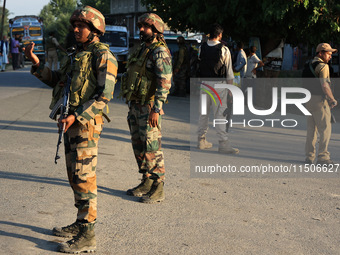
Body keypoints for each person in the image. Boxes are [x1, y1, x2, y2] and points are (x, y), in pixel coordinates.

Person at [24, 6, 117, 253]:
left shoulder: (103, 56)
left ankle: (88, 234)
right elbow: (58, 80)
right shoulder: (77, 54)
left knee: (84, 178)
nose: (76, 29)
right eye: (74, 25)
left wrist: (77, 115)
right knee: (74, 176)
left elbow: (104, 97)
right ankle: (80, 223)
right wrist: (36, 63)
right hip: (70, 124)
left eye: (82, 26)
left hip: (85, 125)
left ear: (95, 29)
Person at [120, 13, 172, 203]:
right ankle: (147, 180)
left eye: (146, 26)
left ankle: (158, 187)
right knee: (139, 146)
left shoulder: (160, 52)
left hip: (149, 107)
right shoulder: (142, 49)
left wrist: (156, 109)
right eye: (140, 26)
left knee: (152, 147)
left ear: (156, 29)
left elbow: (164, 83)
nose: (141, 29)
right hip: (136, 105)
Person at [197, 23, 239, 154]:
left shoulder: (201, 48)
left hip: (204, 84)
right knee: (220, 114)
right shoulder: (224, 49)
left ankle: (201, 140)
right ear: (220, 35)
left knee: (203, 113)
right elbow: (229, 72)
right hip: (218, 86)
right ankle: (223, 144)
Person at [304, 43, 338, 165]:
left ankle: (309, 157)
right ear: (320, 53)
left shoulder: (308, 65)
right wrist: (332, 99)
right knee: (325, 129)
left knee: (311, 130)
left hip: (308, 100)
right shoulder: (323, 67)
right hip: (319, 101)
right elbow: (324, 85)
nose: (330, 56)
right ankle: (323, 157)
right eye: (328, 53)